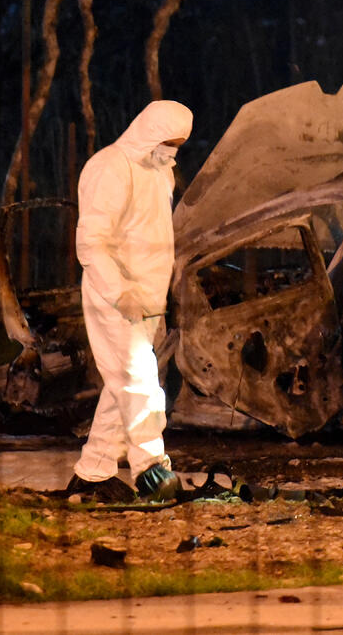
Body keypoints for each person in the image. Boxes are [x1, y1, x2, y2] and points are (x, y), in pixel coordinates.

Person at [67, 100, 193, 503]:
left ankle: (92, 472)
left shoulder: (159, 174)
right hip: (115, 296)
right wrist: (120, 293)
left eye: (178, 145)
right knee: (140, 384)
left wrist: (157, 297)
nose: (172, 151)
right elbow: (91, 243)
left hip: (147, 299)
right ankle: (151, 470)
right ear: (149, 131)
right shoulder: (110, 167)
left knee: (122, 384)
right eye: (168, 142)